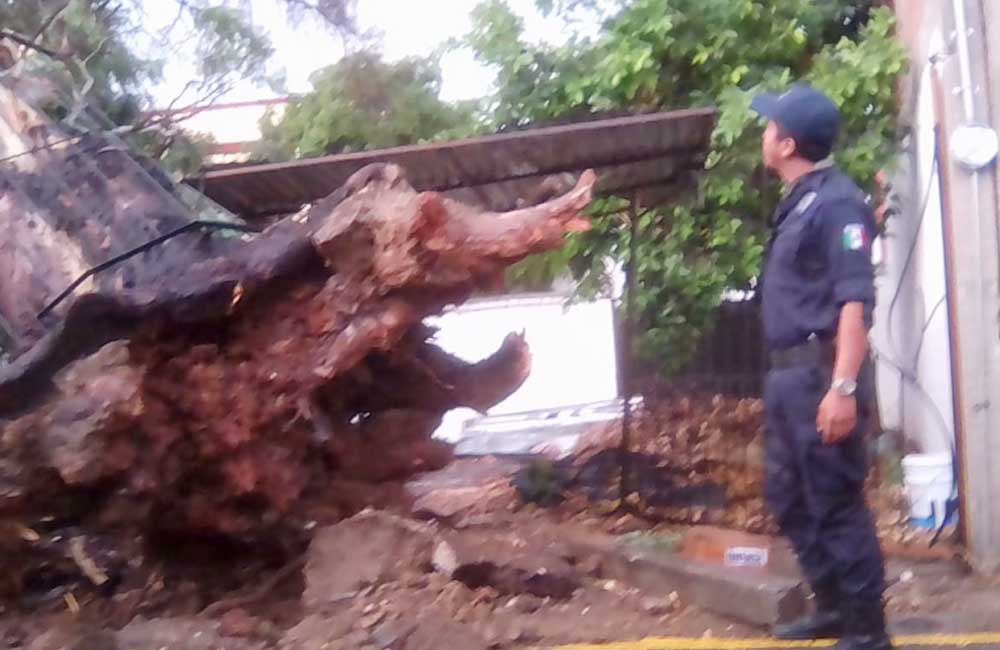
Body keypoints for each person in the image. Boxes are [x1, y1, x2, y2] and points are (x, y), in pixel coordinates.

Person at [751, 84, 892, 650]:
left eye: (768, 127)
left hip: (818, 374)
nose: (762, 135)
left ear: (786, 143)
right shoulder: (803, 199)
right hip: (788, 377)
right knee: (787, 493)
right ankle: (834, 604)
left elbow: (853, 303)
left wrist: (842, 387)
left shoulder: (837, 203)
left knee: (835, 502)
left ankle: (867, 632)